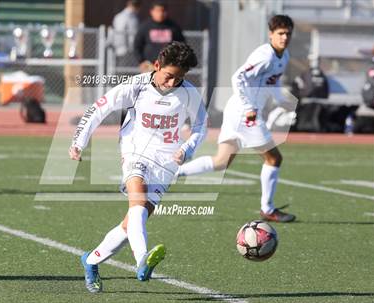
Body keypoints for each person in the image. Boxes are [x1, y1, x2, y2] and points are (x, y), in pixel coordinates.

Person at [69, 41, 207, 293]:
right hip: (134, 152)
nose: (173, 83)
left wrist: (187, 149)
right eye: (169, 76)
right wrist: (79, 142)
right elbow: (99, 108)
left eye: (179, 78)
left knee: (133, 220)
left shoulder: (189, 92)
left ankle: (90, 261)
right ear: (156, 66)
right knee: (137, 203)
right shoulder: (136, 86)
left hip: (166, 162)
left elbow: (200, 127)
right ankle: (142, 260)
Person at [177, 15, 297, 223]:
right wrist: (249, 106)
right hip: (244, 112)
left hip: (238, 111)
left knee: (221, 162)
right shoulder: (265, 56)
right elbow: (237, 77)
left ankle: (173, 172)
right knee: (274, 158)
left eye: (287, 33)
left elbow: (272, 84)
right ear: (271, 34)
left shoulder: (283, 56)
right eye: (280, 33)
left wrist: (283, 100)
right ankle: (267, 209)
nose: (284, 37)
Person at [134, 0, 185, 73]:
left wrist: (177, 61)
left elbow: (181, 45)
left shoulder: (174, 27)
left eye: (163, 11)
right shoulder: (145, 27)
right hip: (149, 66)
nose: (161, 13)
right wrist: (141, 61)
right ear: (152, 11)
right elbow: (137, 45)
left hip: (168, 66)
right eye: (158, 11)